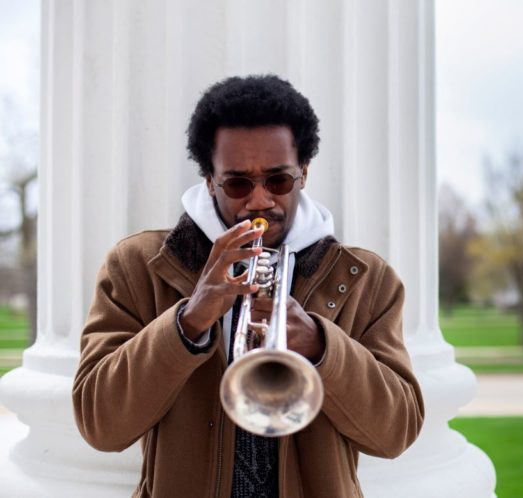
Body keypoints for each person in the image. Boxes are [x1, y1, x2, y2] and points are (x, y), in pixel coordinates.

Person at [72, 75, 424, 498]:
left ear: (304, 173)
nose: (259, 201)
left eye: (278, 181)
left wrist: (321, 346)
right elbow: (100, 425)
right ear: (209, 180)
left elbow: (396, 432)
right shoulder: (136, 266)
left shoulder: (369, 279)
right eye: (238, 183)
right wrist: (188, 321)